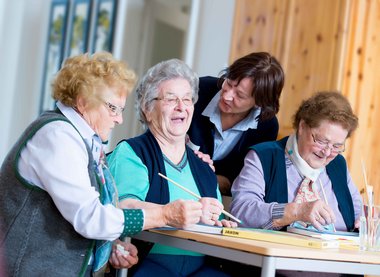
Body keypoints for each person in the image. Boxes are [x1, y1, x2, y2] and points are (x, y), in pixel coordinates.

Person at [0, 53, 204, 277]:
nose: (119, 119)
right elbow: (90, 218)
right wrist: (164, 215)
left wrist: (112, 246)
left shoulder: (84, 139)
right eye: (112, 108)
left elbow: (87, 215)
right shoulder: (57, 136)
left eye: (121, 110)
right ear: (83, 101)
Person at [107, 58, 237, 277]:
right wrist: (178, 212)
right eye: (170, 99)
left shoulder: (203, 167)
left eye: (187, 99)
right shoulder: (132, 153)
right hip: (148, 262)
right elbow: (122, 207)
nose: (181, 107)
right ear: (148, 108)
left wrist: (220, 223)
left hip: (201, 267)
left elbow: (213, 220)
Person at [231, 92, 362, 233]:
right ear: (302, 126)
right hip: (280, 253)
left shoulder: (338, 164)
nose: (327, 152)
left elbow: (359, 212)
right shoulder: (264, 157)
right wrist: (297, 211)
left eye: (337, 146)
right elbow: (241, 212)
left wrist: (365, 220)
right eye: (322, 141)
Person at [187, 52, 285, 195]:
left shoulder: (266, 127)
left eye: (240, 95)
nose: (226, 95)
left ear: (259, 103)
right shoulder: (199, 90)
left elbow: (243, 180)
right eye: (229, 83)